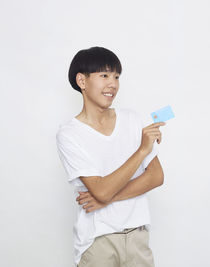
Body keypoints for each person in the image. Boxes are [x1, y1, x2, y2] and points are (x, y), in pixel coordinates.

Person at [56, 46, 166, 267]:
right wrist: (142, 150)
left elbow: (156, 177)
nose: (113, 84)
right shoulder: (69, 134)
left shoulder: (133, 120)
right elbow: (102, 190)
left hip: (138, 236)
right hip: (97, 242)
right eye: (104, 75)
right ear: (82, 81)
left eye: (116, 76)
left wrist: (106, 199)